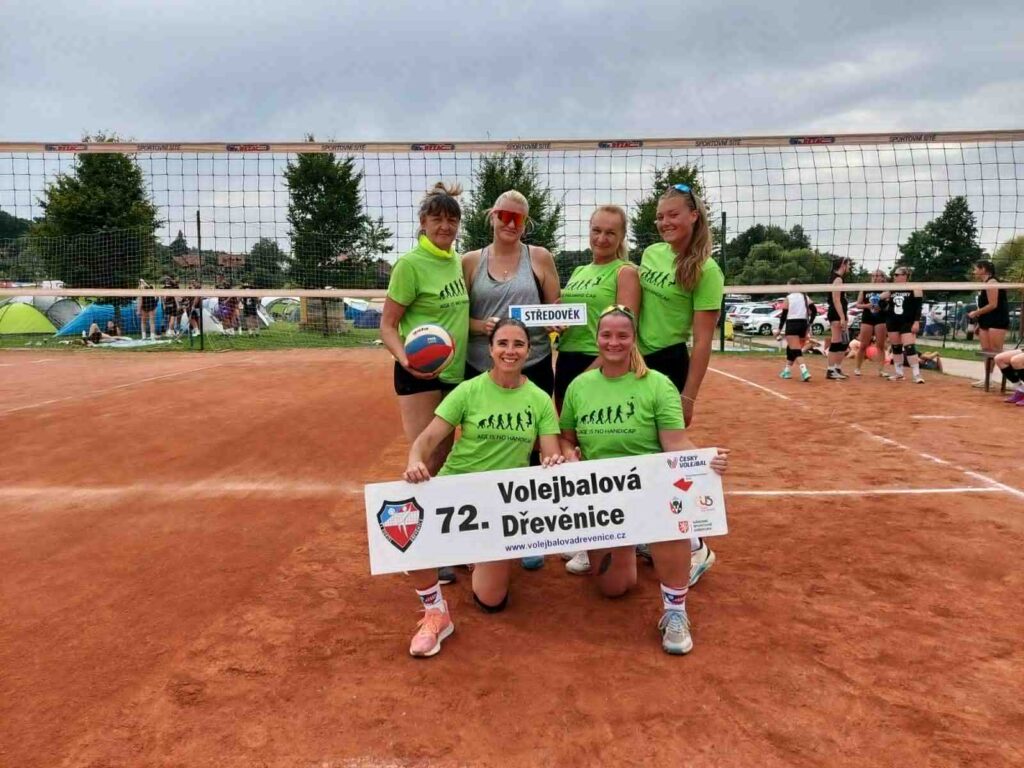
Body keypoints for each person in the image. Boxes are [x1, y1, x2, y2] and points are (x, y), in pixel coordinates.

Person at [559, 306, 729, 655]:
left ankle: (676, 610)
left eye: (622, 335)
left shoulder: (657, 384)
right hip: (603, 492)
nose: (614, 342)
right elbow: (566, 438)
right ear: (596, 338)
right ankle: (633, 542)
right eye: (607, 335)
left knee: (670, 516)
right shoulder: (579, 386)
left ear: (634, 339)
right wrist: (569, 454)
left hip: (650, 487)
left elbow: (675, 442)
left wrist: (704, 462)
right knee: (614, 588)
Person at [401, 318, 563, 657]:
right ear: (490, 349)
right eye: (502, 343)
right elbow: (426, 441)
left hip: (503, 502)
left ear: (529, 351)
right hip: (457, 489)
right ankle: (436, 614)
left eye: (518, 344)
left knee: (492, 600)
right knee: (410, 539)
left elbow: (550, 455)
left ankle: (475, 554)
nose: (510, 351)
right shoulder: (468, 390)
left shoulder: (538, 399)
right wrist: (415, 461)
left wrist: (555, 461)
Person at [461, 190, 561, 572]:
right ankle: (479, 527)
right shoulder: (470, 261)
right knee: (481, 443)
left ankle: (529, 531)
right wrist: (479, 326)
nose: (509, 223)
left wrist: (558, 321)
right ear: (492, 216)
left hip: (533, 362)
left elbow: (555, 308)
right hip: (480, 364)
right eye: (503, 215)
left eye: (518, 218)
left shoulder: (539, 258)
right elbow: (456, 315)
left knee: (533, 444)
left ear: (526, 222)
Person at [381, 182, 470, 586]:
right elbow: (388, 325)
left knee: (445, 457)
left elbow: (458, 319)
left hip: (453, 374)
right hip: (418, 374)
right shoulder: (410, 265)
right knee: (425, 458)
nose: (445, 226)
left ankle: (441, 543)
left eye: (451, 220)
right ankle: (417, 549)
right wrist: (407, 360)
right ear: (423, 222)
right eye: (437, 219)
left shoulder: (456, 263)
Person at [635, 183, 723, 585]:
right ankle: (650, 534)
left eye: (673, 214)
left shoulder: (707, 270)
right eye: (660, 216)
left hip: (669, 362)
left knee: (670, 457)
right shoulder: (651, 253)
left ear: (693, 216)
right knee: (640, 451)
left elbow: (702, 342)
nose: (664, 222)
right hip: (637, 362)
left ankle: (696, 545)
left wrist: (688, 396)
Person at [968, 260, 1011, 388]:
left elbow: (993, 305)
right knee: (986, 351)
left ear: (983, 269)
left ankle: (1015, 379)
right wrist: (979, 322)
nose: (974, 271)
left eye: (976, 269)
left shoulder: (992, 283)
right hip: (985, 320)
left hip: (997, 320)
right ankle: (988, 379)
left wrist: (975, 313)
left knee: (997, 352)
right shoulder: (984, 284)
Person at [881, 266, 925, 384]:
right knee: (896, 347)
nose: (894, 277)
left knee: (909, 347)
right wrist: (880, 302)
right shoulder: (892, 289)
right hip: (892, 321)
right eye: (894, 275)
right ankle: (899, 373)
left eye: (896, 275)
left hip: (907, 321)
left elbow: (918, 307)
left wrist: (916, 322)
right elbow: (880, 300)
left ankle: (917, 374)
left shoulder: (914, 288)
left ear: (905, 276)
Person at [853, 270, 889, 377]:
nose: (874, 278)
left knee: (880, 345)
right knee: (863, 345)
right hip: (867, 318)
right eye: (873, 276)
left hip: (881, 318)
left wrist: (881, 307)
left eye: (877, 276)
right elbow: (858, 305)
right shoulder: (865, 288)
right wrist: (867, 306)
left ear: (882, 277)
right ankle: (857, 368)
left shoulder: (886, 289)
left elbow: (888, 304)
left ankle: (881, 370)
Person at [775, 278, 813, 381]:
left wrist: (779, 329)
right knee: (791, 347)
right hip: (803, 324)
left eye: (788, 285)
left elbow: (784, 315)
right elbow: (814, 310)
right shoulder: (805, 297)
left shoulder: (789, 298)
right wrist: (809, 324)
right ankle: (787, 370)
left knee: (795, 349)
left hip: (792, 324)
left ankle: (804, 371)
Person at [825, 256, 852, 380]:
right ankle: (830, 370)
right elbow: (836, 300)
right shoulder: (837, 279)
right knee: (836, 341)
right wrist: (842, 317)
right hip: (836, 313)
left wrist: (844, 316)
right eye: (848, 264)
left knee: (844, 342)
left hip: (840, 313)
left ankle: (837, 368)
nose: (849, 267)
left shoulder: (838, 278)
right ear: (843, 265)